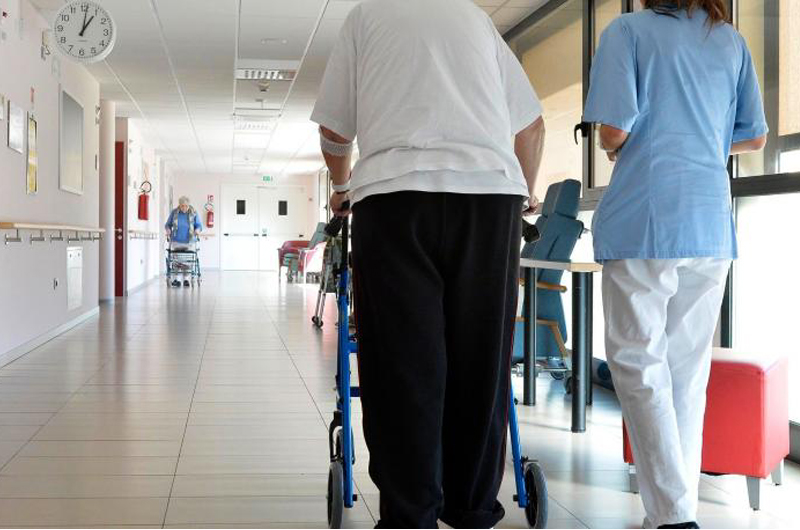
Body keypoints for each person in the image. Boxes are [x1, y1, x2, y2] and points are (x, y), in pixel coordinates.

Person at [311, 0, 545, 527]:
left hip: (395, 199)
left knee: (402, 365)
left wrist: (342, 187)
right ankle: (471, 508)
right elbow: (531, 127)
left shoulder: (366, 17)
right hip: (490, 200)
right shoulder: (475, 19)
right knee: (481, 361)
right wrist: (525, 197)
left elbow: (334, 132)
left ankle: (409, 513)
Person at [583, 1, 767, 528]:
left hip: (647, 217)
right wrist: (701, 135)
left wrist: (639, 139)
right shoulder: (730, 41)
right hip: (709, 223)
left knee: (639, 364)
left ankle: (672, 515)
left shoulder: (628, 31)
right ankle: (672, 511)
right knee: (686, 375)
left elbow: (613, 131)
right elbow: (754, 136)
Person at [165, 196, 203, 287]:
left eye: (186, 206)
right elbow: (167, 224)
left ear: (189, 205)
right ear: (179, 205)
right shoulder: (174, 212)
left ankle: (186, 279)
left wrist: (197, 230)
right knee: (176, 260)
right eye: (182, 206)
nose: (184, 208)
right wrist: (168, 230)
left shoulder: (194, 213)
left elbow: (199, 225)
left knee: (187, 261)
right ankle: (176, 279)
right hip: (176, 240)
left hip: (189, 241)